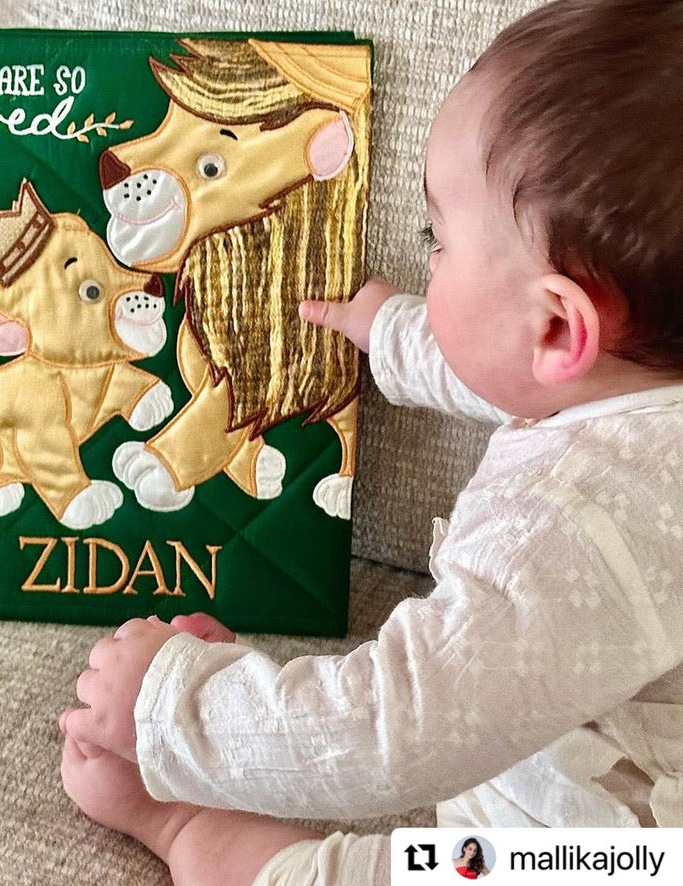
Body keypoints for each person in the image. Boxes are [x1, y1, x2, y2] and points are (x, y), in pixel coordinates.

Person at [57, 1, 683, 883]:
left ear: (556, 326)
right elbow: (503, 367)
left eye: (438, 240)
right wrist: (385, 326)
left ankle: (187, 828)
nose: (428, 257)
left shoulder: (575, 524)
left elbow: (396, 725)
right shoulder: (635, 393)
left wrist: (173, 708)